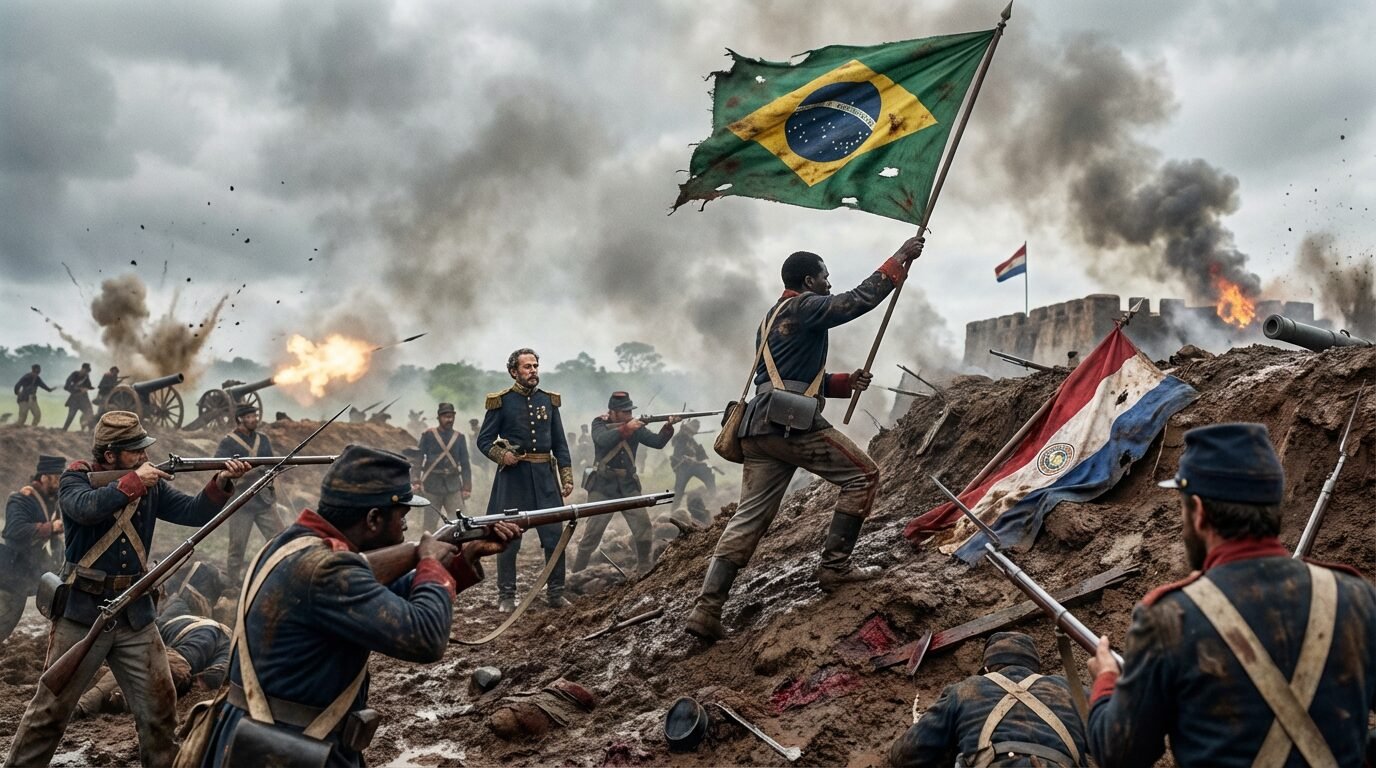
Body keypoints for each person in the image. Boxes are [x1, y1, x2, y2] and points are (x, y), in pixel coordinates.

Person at [191, 445, 517, 767]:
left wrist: (464, 557)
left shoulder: (294, 544)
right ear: (373, 518)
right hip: (286, 749)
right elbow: (426, 638)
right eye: (401, 517)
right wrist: (430, 561)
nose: (406, 528)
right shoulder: (326, 569)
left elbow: (377, 595)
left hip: (270, 739)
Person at [1086, 423, 1376, 767]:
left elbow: (1120, 755)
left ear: (1199, 511)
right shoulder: (1358, 598)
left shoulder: (1169, 616)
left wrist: (1106, 682)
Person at [685, 235, 925, 641]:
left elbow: (789, 376)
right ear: (810, 281)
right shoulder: (806, 305)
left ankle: (707, 610)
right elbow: (857, 301)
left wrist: (843, 383)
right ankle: (834, 568)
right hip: (790, 424)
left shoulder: (771, 317)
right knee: (863, 476)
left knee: (748, 518)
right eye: (825, 277)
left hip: (758, 429)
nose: (830, 284)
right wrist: (899, 259)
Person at [3, 411, 249, 767]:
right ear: (110, 456)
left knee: (160, 712)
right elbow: (84, 509)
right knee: (50, 712)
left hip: (135, 614)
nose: (144, 456)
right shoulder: (76, 478)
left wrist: (222, 481)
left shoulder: (150, 485)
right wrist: (133, 481)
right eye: (135, 452)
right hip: (83, 612)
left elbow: (194, 512)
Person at [889, 632, 1088, 767]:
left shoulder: (965, 690)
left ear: (987, 669)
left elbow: (906, 755)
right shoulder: (1071, 690)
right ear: (1035, 669)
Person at [476, 348, 574, 612]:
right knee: (509, 541)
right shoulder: (502, 402)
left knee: (554, 538)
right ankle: (506, 596)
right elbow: (483, 441)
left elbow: (560, 444)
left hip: (545, 479)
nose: (533, 371)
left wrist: (566, 477)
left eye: (535, 366)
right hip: (514, 481)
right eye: (527, 367)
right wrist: (502, 455)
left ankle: (555, 593)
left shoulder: (548, 401)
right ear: (513, 372)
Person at [76, 563, 231, 718]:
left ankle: (88, 704)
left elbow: (142, 644)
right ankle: (114, 699)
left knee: (148, 665)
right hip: (208, 647)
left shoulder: (178, 611)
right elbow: (216, 674)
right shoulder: (224, 637)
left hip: (183, 655)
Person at [571, 392, 677, 575]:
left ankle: (644, 567)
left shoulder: (635, 427)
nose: (629, 414)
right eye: (625, 411)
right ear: (613, 412)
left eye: (629, 411)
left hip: (628, 485)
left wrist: (668, 426)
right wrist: (627, 428)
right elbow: (602, 440)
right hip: (602, 486)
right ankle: (577, 572)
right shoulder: (599, 424)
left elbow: (657, 443)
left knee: (643, 527)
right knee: (592, 534)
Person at [215, 403, 284, 589]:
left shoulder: (263, 439)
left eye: (254, 416)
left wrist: (273, 470)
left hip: (263, 499)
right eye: (249, 417)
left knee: (278, 538)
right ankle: (231, 583)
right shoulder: (228, 442)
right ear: (240, 419)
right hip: (241, 501)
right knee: (237, 546)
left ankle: (280, 572)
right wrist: (247, 473)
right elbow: (220, 468)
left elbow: (271, 464)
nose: (254, 419)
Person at [0, 455, 66, 643]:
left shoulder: (55, 500)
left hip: (32, 576)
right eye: (56, 477)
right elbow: (14, 530)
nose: (59, 481)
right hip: (12, 577)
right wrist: (50, 528)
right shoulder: (21, 499)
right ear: (44, 477)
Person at [417, 403, 472, 531]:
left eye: (451, 416)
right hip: (432, 485)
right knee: (429, 525)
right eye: (446, 417)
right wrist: (416, 480)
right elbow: (418, 458)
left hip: (453, 486)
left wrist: (467, 487)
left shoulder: (459, 437)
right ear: (439, 418)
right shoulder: (428, 435)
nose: (449, 420)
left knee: (459, 523)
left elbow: (465, 464)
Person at [670, 419, 716, 523]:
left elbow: (702, 456)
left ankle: (714, 497)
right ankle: (673, 511)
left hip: (694, 466)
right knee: (679, 490)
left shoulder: (693, 442)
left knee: (708, 473)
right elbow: (676, 442)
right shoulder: (681, 438)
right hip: (683, 467)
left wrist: (700, 461)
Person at [62, 363, 94, 432]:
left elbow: (89, 385)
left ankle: (91, 430)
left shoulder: (86, 376)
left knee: (89, 413)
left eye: (87, 371)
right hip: (74, 399)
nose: (86, 372)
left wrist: (88, 388)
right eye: (86, 371)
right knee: (71, 415)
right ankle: (64, 429)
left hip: (84, 398)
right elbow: (66, 386)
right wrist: (78, 389)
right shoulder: (74, 374)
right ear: (82, 369)